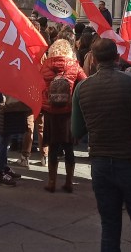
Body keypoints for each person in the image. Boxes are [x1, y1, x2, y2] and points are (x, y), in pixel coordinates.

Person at [72, 38, 131, 251]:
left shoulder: (82, 88)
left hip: (101, 165)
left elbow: (76, 131)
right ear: (117, 57)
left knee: (109, 226)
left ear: (92, 59)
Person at [40, 39, 86, 193]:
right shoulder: (74, 65)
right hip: (69, 113)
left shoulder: (46, 65)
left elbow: (39, 85)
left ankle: (51, 182)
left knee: (53, 147)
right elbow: (85, 83)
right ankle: (69, 182)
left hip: (51, 113)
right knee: (69, 148)